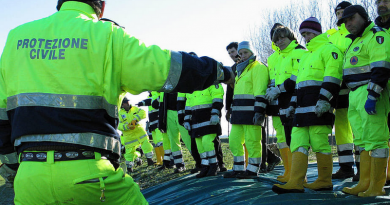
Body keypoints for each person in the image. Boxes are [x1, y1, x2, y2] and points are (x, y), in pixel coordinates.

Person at [0, 0, 233, 204]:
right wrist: (221, 72)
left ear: (60, 3)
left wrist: (16, 171)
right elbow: (168, 67)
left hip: (30, 180)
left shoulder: (15, 38)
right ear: (101, 7)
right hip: (91, 176)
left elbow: (1, 121)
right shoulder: (108, 35)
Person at [272, 17, 343, 194]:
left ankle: (324, 180)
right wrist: (292, 105)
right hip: (301, 110)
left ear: (318, 32)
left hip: (319, 107)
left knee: (320, 143)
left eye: (310, 33)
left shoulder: (329, 50)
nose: (306, 37)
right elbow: (299, 86)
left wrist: (325, 100)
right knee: (297, 143)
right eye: (303, 34)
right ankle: (296, 182)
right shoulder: (306, 56)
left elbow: (333, 77)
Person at [338, 5, 390, 197]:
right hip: (354, 95)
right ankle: (364, 182)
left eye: (351, 19)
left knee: (376, 141)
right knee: (362, 142)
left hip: (369, 93)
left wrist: (373, 96)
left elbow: (381, 68)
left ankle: (377, 185)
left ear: (363, 16)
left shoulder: (377, 36)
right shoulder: (354, 41)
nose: (348, 24)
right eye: (345, 21)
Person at [223, 41, 269, 179]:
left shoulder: (259, 68)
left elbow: (260, 90)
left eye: (245, 53)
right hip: (238, 114)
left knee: (252, 141)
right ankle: (238, 168)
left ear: (252, 53)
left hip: (251, 113)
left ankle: (253, 170)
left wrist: (259, 111)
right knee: (234, 140)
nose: (242, 55)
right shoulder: (239, 69)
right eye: (241, 53)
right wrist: (231, 110)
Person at [266, 25, 306, 182]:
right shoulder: (275, 58)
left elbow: (295, 78)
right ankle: (290, 172)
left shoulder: (299, 52)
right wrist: (272, 91)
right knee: (285, 138)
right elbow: (274, 78)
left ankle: (298, 177)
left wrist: (279, 89)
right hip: (280, 101)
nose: (279, 41)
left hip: (295, 99)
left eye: (282, 37)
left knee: (296, 138)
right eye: (276, 39)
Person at [326, 1, 357, 180]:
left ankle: (362, 169)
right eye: (337, 13)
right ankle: (346, 167)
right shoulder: (332, 35)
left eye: (343, 12)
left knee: (358, 126)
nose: (340, 15)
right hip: (338, 86)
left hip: (356, 84)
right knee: (342, 128)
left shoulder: (357, 33)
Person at [184, 83, 224, 178]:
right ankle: (205, 166)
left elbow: (218, 97)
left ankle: (214, 166)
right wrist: (186, 120)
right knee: (200, 145)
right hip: (196, 121)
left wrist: (215, 113)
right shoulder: (191, 87)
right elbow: (188, 105)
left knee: (207, 142)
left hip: (209, 119)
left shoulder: (212, 83)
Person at [374, 0, 390, 185]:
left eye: (385, 0)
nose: (381, 4)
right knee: (383, 131)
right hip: (380, 85)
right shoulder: (374, 31)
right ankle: (386, 174)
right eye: (377, 1)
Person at [118, 97, 154, 172]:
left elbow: (143, 113)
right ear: (122, 104)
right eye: (125, 102)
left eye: (127, 101)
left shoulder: (135, 108)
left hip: (140, 132)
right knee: (129, 153)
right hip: (129, 136)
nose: (127, 103)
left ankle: (150, 160)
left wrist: (135, 119)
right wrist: (127, 126)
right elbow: (118, 126)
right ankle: (129, 168)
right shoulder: (119, 114)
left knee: (146, 145)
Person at [137, 91, 164, 166]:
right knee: (156, 142)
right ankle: (159, 160)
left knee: (160, 141)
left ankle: (165, 160)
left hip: (158, 121)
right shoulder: (150, 96)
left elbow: (150, 101)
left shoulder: (156, 94)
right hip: (153, 123)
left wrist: (141, 102)